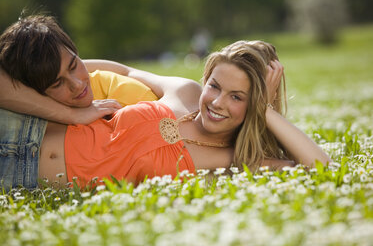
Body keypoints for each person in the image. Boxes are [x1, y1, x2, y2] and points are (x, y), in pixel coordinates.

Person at [0, 36, 332, 190]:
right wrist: (58, 83)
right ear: (205, 79)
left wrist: (267, 110)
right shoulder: (185, 92)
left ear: (255, 104)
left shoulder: (234, 159)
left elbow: (321, 168)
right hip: (26, 129)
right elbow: (128, 72)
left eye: (237, 97)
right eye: (215, 86)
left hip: (21, 179)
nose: (216, 102)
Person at [0, 15, 157, 124]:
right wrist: (72, 115)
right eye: (57, 84)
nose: (76, 84)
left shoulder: (125, 94)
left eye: (73, 66)